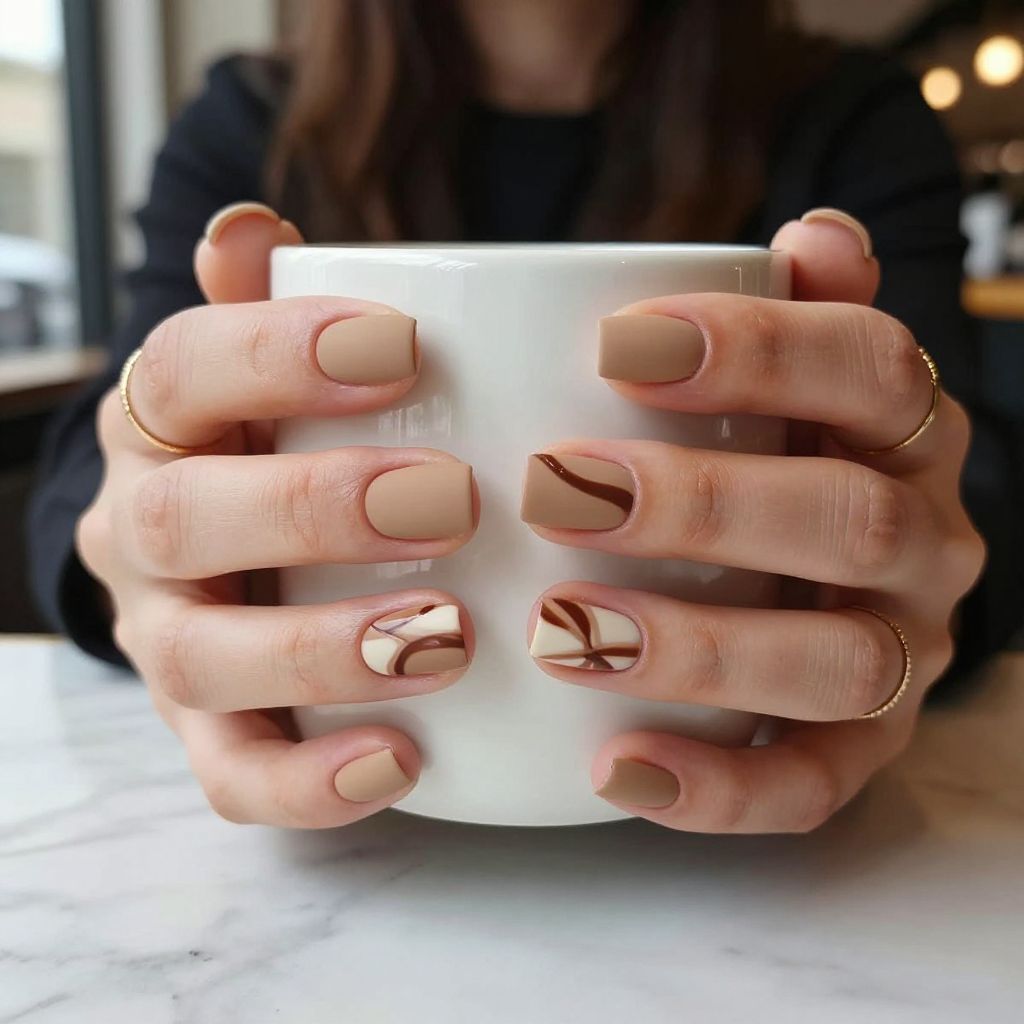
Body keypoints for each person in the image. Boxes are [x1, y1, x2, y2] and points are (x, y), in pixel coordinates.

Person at [28, 0, 1020, 832]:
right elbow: (101, 462)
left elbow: (965, 479)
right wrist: (150, 549)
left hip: (739, 777)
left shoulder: (850, 116)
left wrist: (910, 567)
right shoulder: (250, 119)